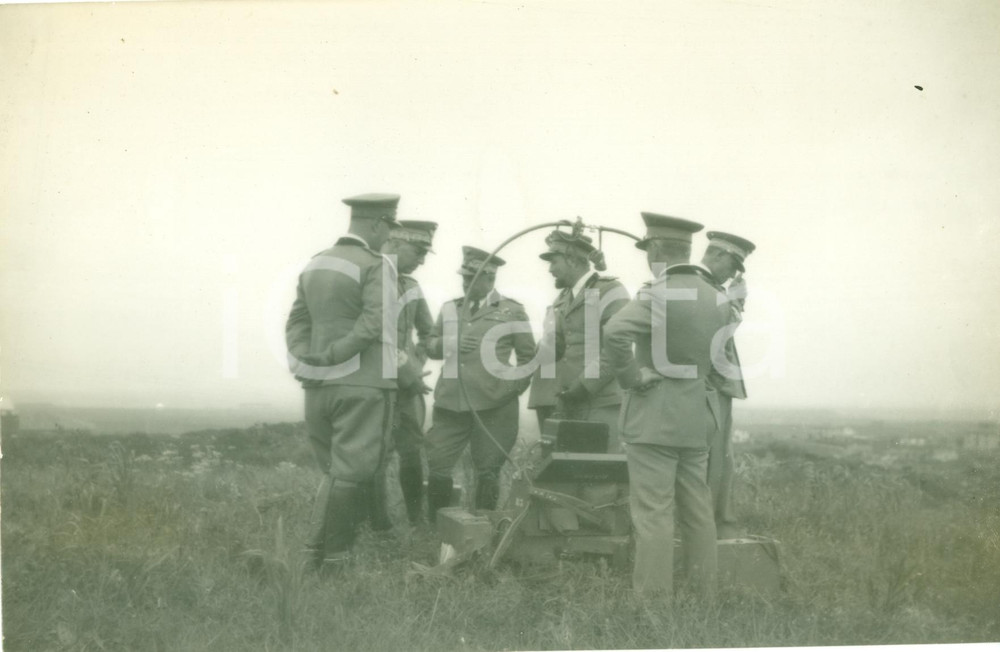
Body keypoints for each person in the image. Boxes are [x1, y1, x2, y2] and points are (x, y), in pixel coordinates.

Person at [601, 212, 729, 603]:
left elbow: (614, 331)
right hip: (698, 418)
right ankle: (703, 596)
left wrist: (632, 378)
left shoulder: (659, 293)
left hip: (654, 418)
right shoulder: (717, 296)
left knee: (654, 513)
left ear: (655, 249)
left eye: (647, 250)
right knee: (697, 510)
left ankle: (654, 605)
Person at [285, 192, 401, 571]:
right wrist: (336, 355)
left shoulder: (316, 262)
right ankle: (336, 561)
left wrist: (309, 357)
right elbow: (374, 323)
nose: (389, 236)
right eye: (389, 227)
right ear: (378, 224)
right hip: (363, 384)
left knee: (334, 471)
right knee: (353, 473)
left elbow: (297, 321)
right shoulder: (376, 264)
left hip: (318, 385)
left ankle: (311, 556)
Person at [424, 246, 536, 521]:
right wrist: (450, 343)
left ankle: (484, 527)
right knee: (438, 464)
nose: (464, 283)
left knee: (488, 469)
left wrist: (509, 390)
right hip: (451, 402)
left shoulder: (512, 311)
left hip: (495, 406)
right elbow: (430, 345)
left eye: (470, 278)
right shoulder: (450, 308)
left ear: (489, 278)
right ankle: (437, 528)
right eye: (463, 277)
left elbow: (528, 358)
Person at [361, 220, 437, 529]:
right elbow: (375, 336)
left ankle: (416, 521)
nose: (422, 260)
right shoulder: (369, 280)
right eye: (418, 252)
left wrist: (419, 358)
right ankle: (379, 526)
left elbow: (429, 332)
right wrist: (407, 371)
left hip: (407, 389)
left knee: (411, 449)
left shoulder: (412, 287)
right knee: (376, 453)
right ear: (394, 243)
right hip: (375, 384)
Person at [528, 229, 630, 450]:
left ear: (572, 260)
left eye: (554, 262)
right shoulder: (561, 300)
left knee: (599, 467)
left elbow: (617, 347)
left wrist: (584, 386)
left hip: (600, 403)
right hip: (565, 404)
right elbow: (554, 348)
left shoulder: (610, 290)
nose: (550, 269)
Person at [699, 231, 756, 539]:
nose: (732, 274)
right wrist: (734, 305)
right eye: (732, 266)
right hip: (710, 386)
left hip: (714, 385)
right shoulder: (705, 288)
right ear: (718, 255)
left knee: (719, 458)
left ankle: (716, 523)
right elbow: (717, 333)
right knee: (715, 459)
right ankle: (714, 526)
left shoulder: (708, 287)